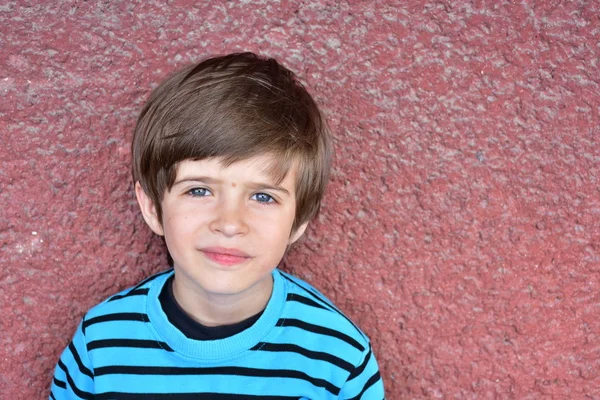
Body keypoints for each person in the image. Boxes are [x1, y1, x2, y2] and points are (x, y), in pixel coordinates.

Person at [49, 52, 385, 399]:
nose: (229, 224)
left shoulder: (338, 360)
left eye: (263, 197)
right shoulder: (100, 347)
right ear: (151, 206)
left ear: (299, 221)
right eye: (199, 190)